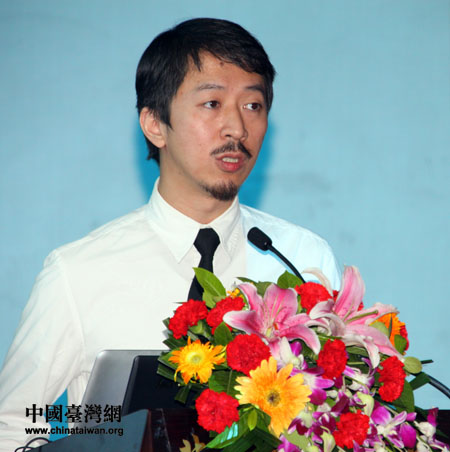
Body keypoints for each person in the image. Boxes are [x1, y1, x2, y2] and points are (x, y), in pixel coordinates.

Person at [0, 18, 340, 450]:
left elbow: (338, 412)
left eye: (253, 105)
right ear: (155, 124)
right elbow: (13, 425)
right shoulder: (77, 272)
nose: (237, 128)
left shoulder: (301, 259)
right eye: (212, 103)